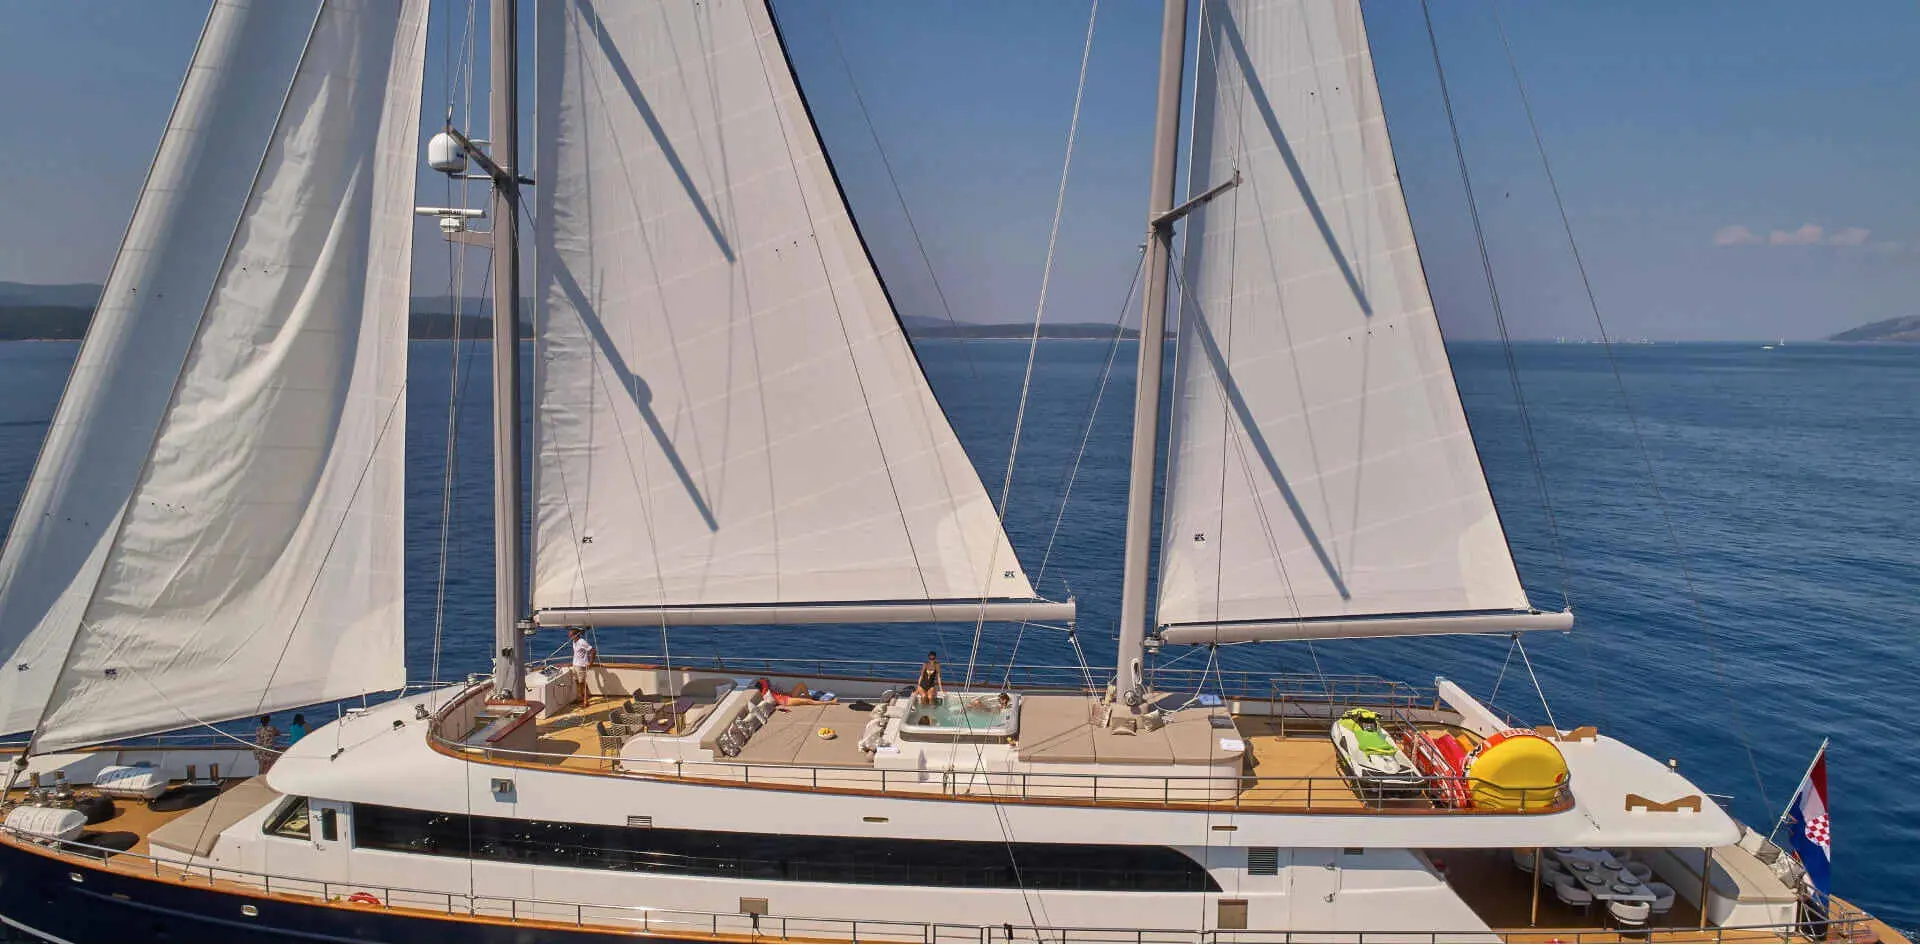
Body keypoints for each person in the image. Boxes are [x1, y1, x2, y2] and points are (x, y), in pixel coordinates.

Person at [754, 678, 835, 707]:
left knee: (801, 684)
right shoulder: (766, 694)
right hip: (785, 701)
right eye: (766, 682)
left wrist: (783, 693)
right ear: (764, 685)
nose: (768, 682)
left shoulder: (768, 690)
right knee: (808, 701)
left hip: (786, 696)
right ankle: (831, 702)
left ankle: (809, 697)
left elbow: (777, 694)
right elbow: (773, 702)